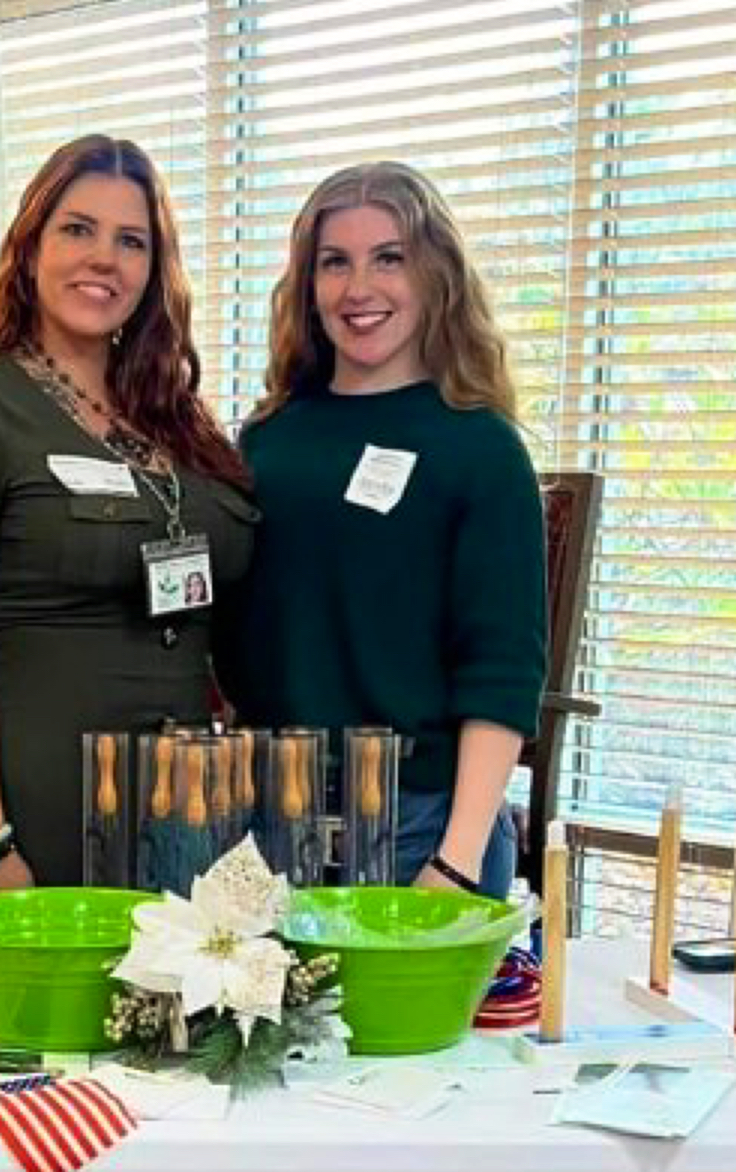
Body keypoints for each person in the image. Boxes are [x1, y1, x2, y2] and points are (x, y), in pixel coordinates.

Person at [0, 135, 257, 888]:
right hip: (26, 815)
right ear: (30, 247)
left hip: (176, 813)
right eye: (78, 229)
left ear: (154, 270)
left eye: (132, 241)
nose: (104, 258)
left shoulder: (179, 418)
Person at [215, 162, 545, 899]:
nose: (359, 287)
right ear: (308, 285)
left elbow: (503, 669)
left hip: (424, 827)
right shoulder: (267, 440)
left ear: (436, 276)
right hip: (270, 820)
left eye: (389, 258)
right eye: (335, 262)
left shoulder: (481, 447)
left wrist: (457, 859)